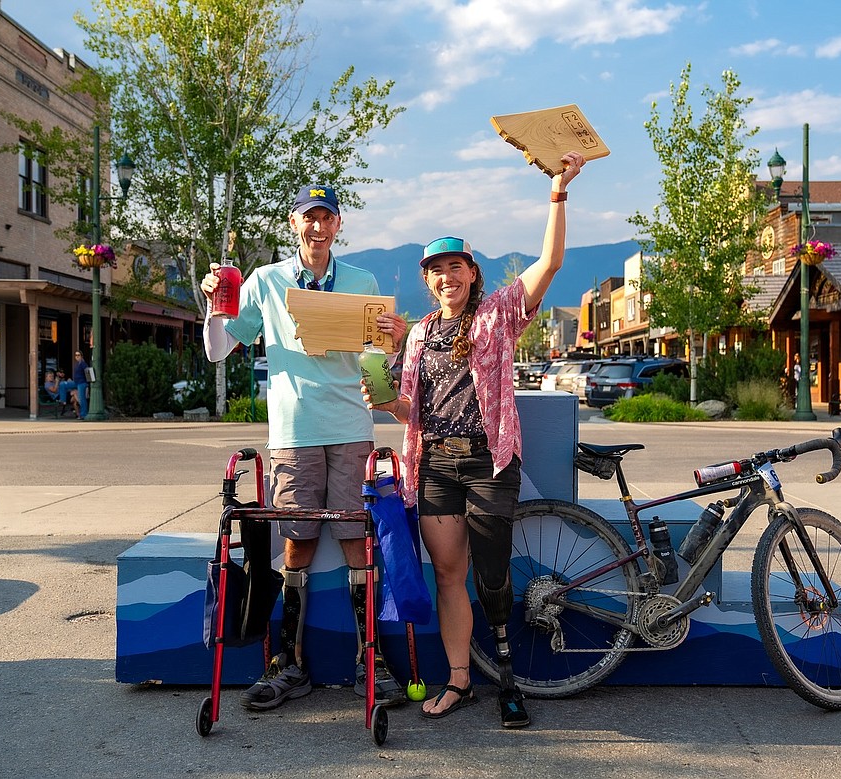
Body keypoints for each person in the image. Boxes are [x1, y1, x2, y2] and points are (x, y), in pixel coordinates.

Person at [365, 151, 586, 728]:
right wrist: (386, 401)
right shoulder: (416, 337)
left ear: (472, 272)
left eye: (456, 266)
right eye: (436, 270)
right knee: (447, 574)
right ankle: (460, 681)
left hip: (490, 461)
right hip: (435, 464)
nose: (447, 277)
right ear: (427, 280)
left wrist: (557, 193)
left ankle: (509, 682)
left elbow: (551, 261)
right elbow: (412, 411)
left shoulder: (498, 316)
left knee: (492, 579)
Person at [200, 184, 408, 712]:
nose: (318, 227)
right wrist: (212, 306)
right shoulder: (265, 280)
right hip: (293, 431)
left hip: (351, 424)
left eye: (327, 218)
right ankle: (289, 663)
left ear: (339, 226)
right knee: (297, 542)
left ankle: (371, 659)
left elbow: (380, 354)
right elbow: (221, 350)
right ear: (294, 224)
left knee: (359, 541)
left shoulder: (362, 281)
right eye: (309, 217)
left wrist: (395, 337)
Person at [72, 350, 90, 419]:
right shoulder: (77, 364)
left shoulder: (83, 364)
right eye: (76, 355)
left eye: (78, 355)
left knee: (82, 399)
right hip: (76, 382)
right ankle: (63, 400)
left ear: (81, 356)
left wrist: (87, 384)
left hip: (82, 383)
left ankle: (84, 414)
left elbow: (88, 373)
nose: (77, 356)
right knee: (63, 385)